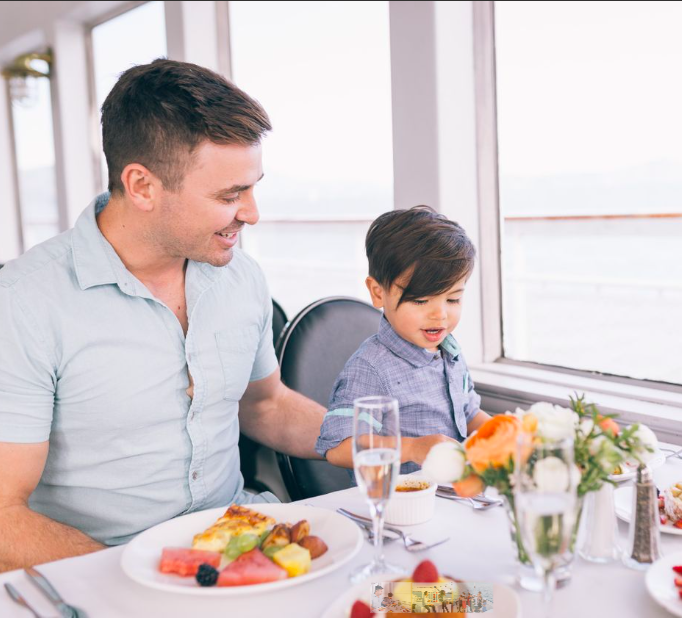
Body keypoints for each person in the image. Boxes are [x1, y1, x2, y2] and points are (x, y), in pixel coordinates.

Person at [0, 59, 327, 572]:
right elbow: (3, 514)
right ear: (143, 186)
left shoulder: (242, 278)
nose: (253, 212)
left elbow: (264, 406)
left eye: (252, 186)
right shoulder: (23, 303)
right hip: (100, 577)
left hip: (241, 553)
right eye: (230, 195)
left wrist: (387, 440)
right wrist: (145, 586)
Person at [315, 206, 491, 473]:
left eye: (453, 299)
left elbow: (470, 415)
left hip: (451, 498)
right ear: (378, 292)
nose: (440, 315)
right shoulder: (371, 368)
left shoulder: (449, 352)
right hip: (398, 504)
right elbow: (338, 447)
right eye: (420, 300)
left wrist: (507, 433)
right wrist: (411, 449)